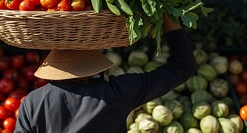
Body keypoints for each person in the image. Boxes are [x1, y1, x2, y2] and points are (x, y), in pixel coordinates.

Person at [14, 15, 197, 133]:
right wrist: (167, 18)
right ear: (91, 66)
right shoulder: (117, 92)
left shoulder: (32, 103)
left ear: (54, 66)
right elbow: (183, 66)